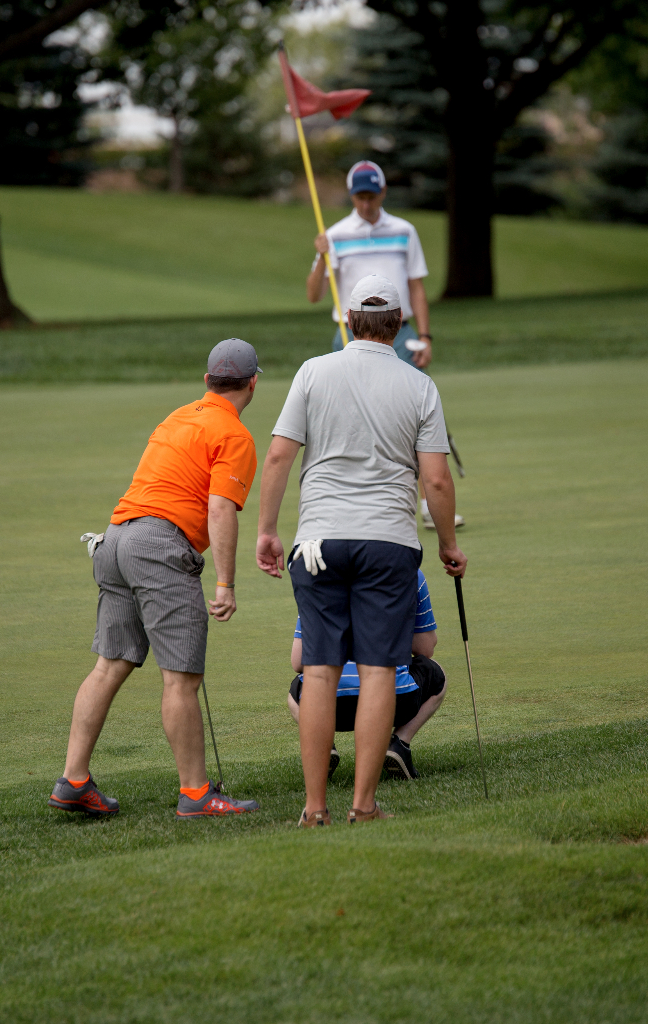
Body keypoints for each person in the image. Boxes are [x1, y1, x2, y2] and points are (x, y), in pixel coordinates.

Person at [257, 273, 467, 827]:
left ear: (348, 320)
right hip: (387, 541)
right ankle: (364, 806)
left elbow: (278, 456)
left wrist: (267, 530)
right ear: (398, 324)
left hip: (318, 541)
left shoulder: (312, 371)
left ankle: (314, 808)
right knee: (377, 671)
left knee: (319, 671)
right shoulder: (419, 385)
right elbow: (436, 479)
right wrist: (448, 545)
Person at [49, 339, 263, 820]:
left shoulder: (177, 416)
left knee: (109, 666)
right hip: (159, 545)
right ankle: (197, 794)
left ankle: (73, 780)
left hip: (115, 538)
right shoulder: (234, 434)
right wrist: (226, 584)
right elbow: (220, 509)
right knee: (182, 679)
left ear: (207, 381)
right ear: (252, 383)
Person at [305, 159, 464, 532]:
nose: (366, 204)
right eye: (359, 197)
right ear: (351, 196)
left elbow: (416, 287)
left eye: (371, 196)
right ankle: (350, 504)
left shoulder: (404, 231)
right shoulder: (335, 234)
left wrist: (426, 336)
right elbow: (314, 294)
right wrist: (321, 257)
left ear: (383, 193)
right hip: (348, 334)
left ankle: (428, 505)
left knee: (413, 417)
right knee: (348, 419)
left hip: (401, 332)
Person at [288, 568, 447, 781]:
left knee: (296, 692)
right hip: (394, 699)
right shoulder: (409, 570)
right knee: (436, 674)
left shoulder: (318, 573)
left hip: (326, 706)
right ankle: (399, 744)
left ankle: (322, 745)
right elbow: (424, 649)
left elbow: (298, 660)